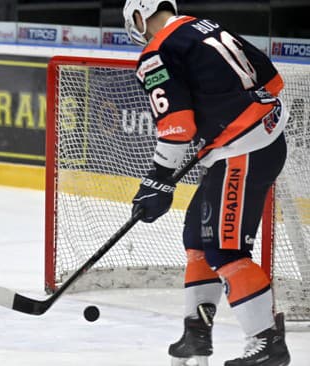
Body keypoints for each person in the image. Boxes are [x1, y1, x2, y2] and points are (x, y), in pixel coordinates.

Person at [123, 1, 290, 365]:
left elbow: (177, 126)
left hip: (242, 150)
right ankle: (196, 333)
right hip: (249, 144)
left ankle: (266, 344)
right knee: (197, 238)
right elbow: (272, 80)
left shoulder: (157, 53)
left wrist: (158, 179)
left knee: (224, 250)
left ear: (140, 15)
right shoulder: (208, 27)